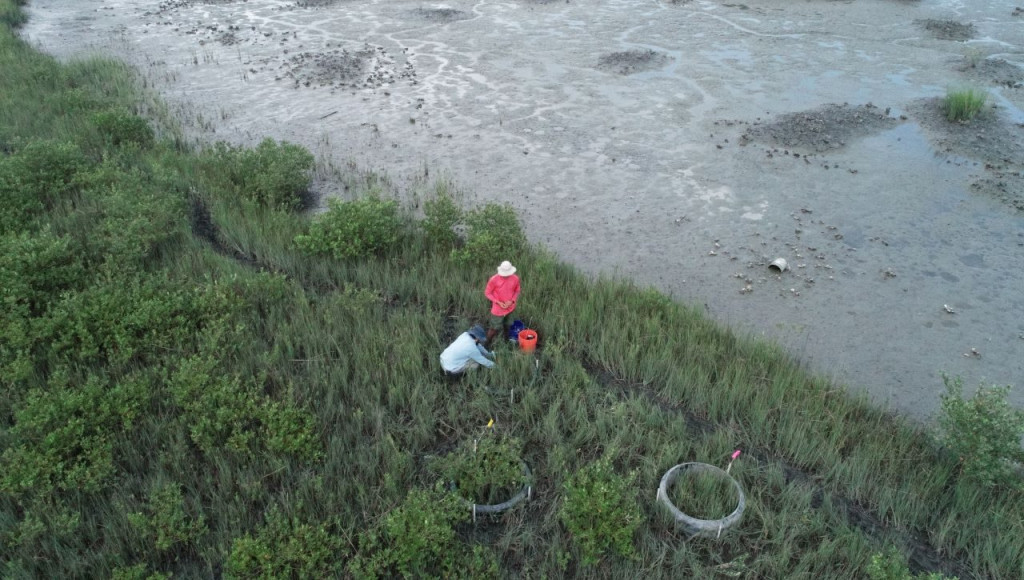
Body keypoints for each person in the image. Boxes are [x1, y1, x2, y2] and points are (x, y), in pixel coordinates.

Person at [484, 260, 520, 345]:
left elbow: (517, 291)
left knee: (508, 325)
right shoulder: (493, 279)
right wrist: (498, 302)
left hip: (510, 308)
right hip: (497, 309)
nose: (506, 276)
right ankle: (486, 343)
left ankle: (506, 340)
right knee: (494, 328)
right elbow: (487, 293)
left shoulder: (515, 278)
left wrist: (512, 301)